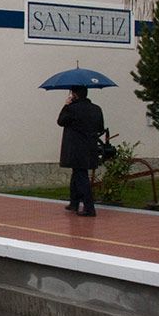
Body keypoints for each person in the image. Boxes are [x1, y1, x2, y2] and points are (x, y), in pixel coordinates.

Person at [57, 85, 104, 217]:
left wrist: (66, 105)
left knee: (81, 176)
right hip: (90, 148)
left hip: (76, 148)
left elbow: (60, 121)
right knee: (77, 174)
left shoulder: (72, 109)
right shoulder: (96, 109)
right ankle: (74, 202)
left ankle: (89, 208)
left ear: (75, 94)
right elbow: (100, 127)